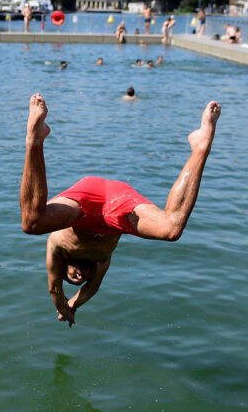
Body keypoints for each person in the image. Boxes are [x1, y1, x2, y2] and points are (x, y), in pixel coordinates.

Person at [20, 94, 221, 326]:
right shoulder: (101, 261)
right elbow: (92, 289)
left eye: (71, 276)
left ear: (64, 267)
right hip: (117, 208)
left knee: (31, 223)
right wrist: (75, 304)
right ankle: (200, 146)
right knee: (171, 230)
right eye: (80, 280)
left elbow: (54, 288)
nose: (78, 277)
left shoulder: (56, 247)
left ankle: (35, 138)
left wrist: (65, 307)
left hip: (83, 204)